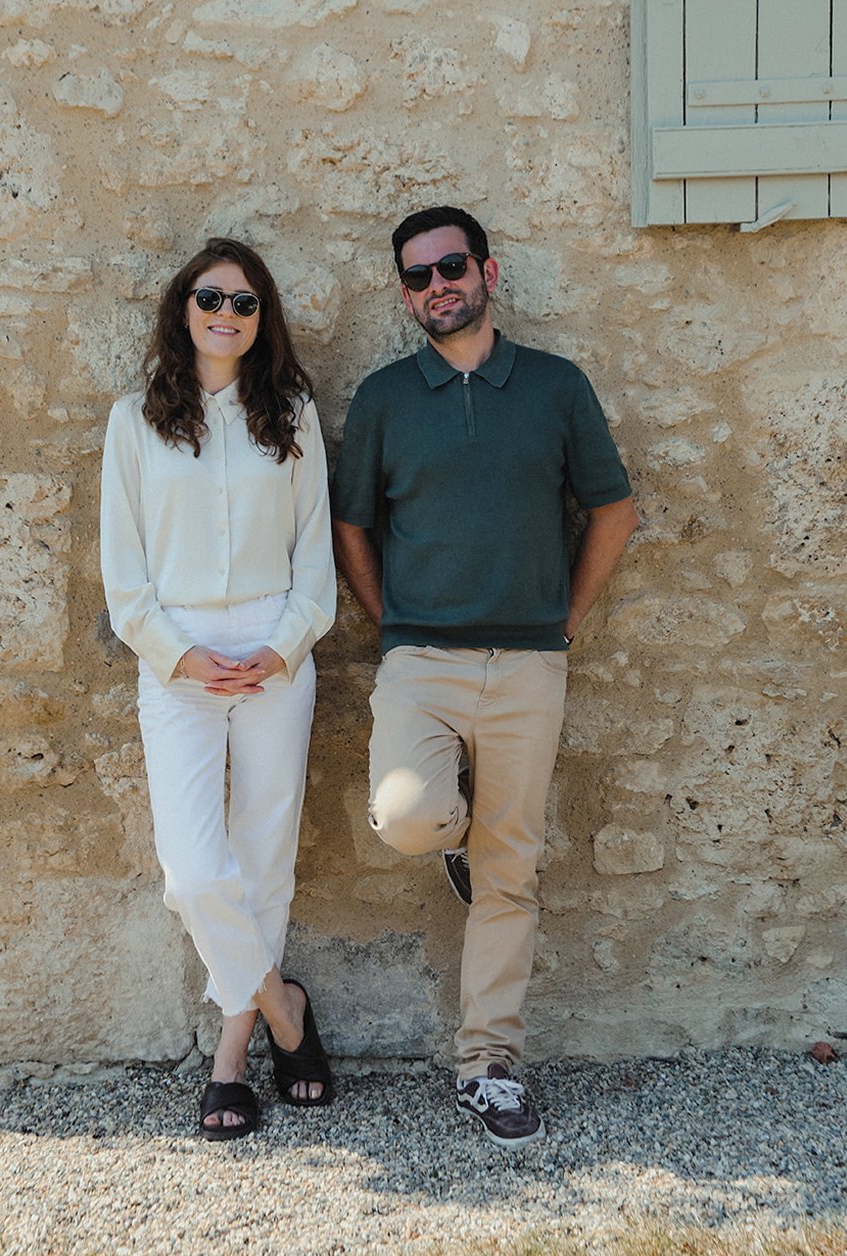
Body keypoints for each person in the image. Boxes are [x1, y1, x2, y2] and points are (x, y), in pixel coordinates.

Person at [331, 206, 638, 1150]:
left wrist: (566, 620)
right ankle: (451, 835)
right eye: (419, 277)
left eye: (452, 267)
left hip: (530, 663)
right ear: (405, 293)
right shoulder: (384, 398)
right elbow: (351, 528)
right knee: (409, 817)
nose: (438, 287)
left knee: (513, 872)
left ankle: (489, 1067)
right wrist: (393, 626)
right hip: (419, 660)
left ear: (488, 270)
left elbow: (613, 511)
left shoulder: (554, 385)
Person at [100, 238, 336, 1141]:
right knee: (197, 872)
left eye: (244, 303)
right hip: (180, 660)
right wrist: (179, 653)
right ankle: (286, 1011)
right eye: (211, 299)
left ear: (262, 317)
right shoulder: (135, 421)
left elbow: (315, 557)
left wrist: (282, 647)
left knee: (263, 859)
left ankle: (233, 1057)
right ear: (183, 308)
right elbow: (124, 573)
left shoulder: (296, 416)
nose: (227, 315)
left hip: (279, 651)